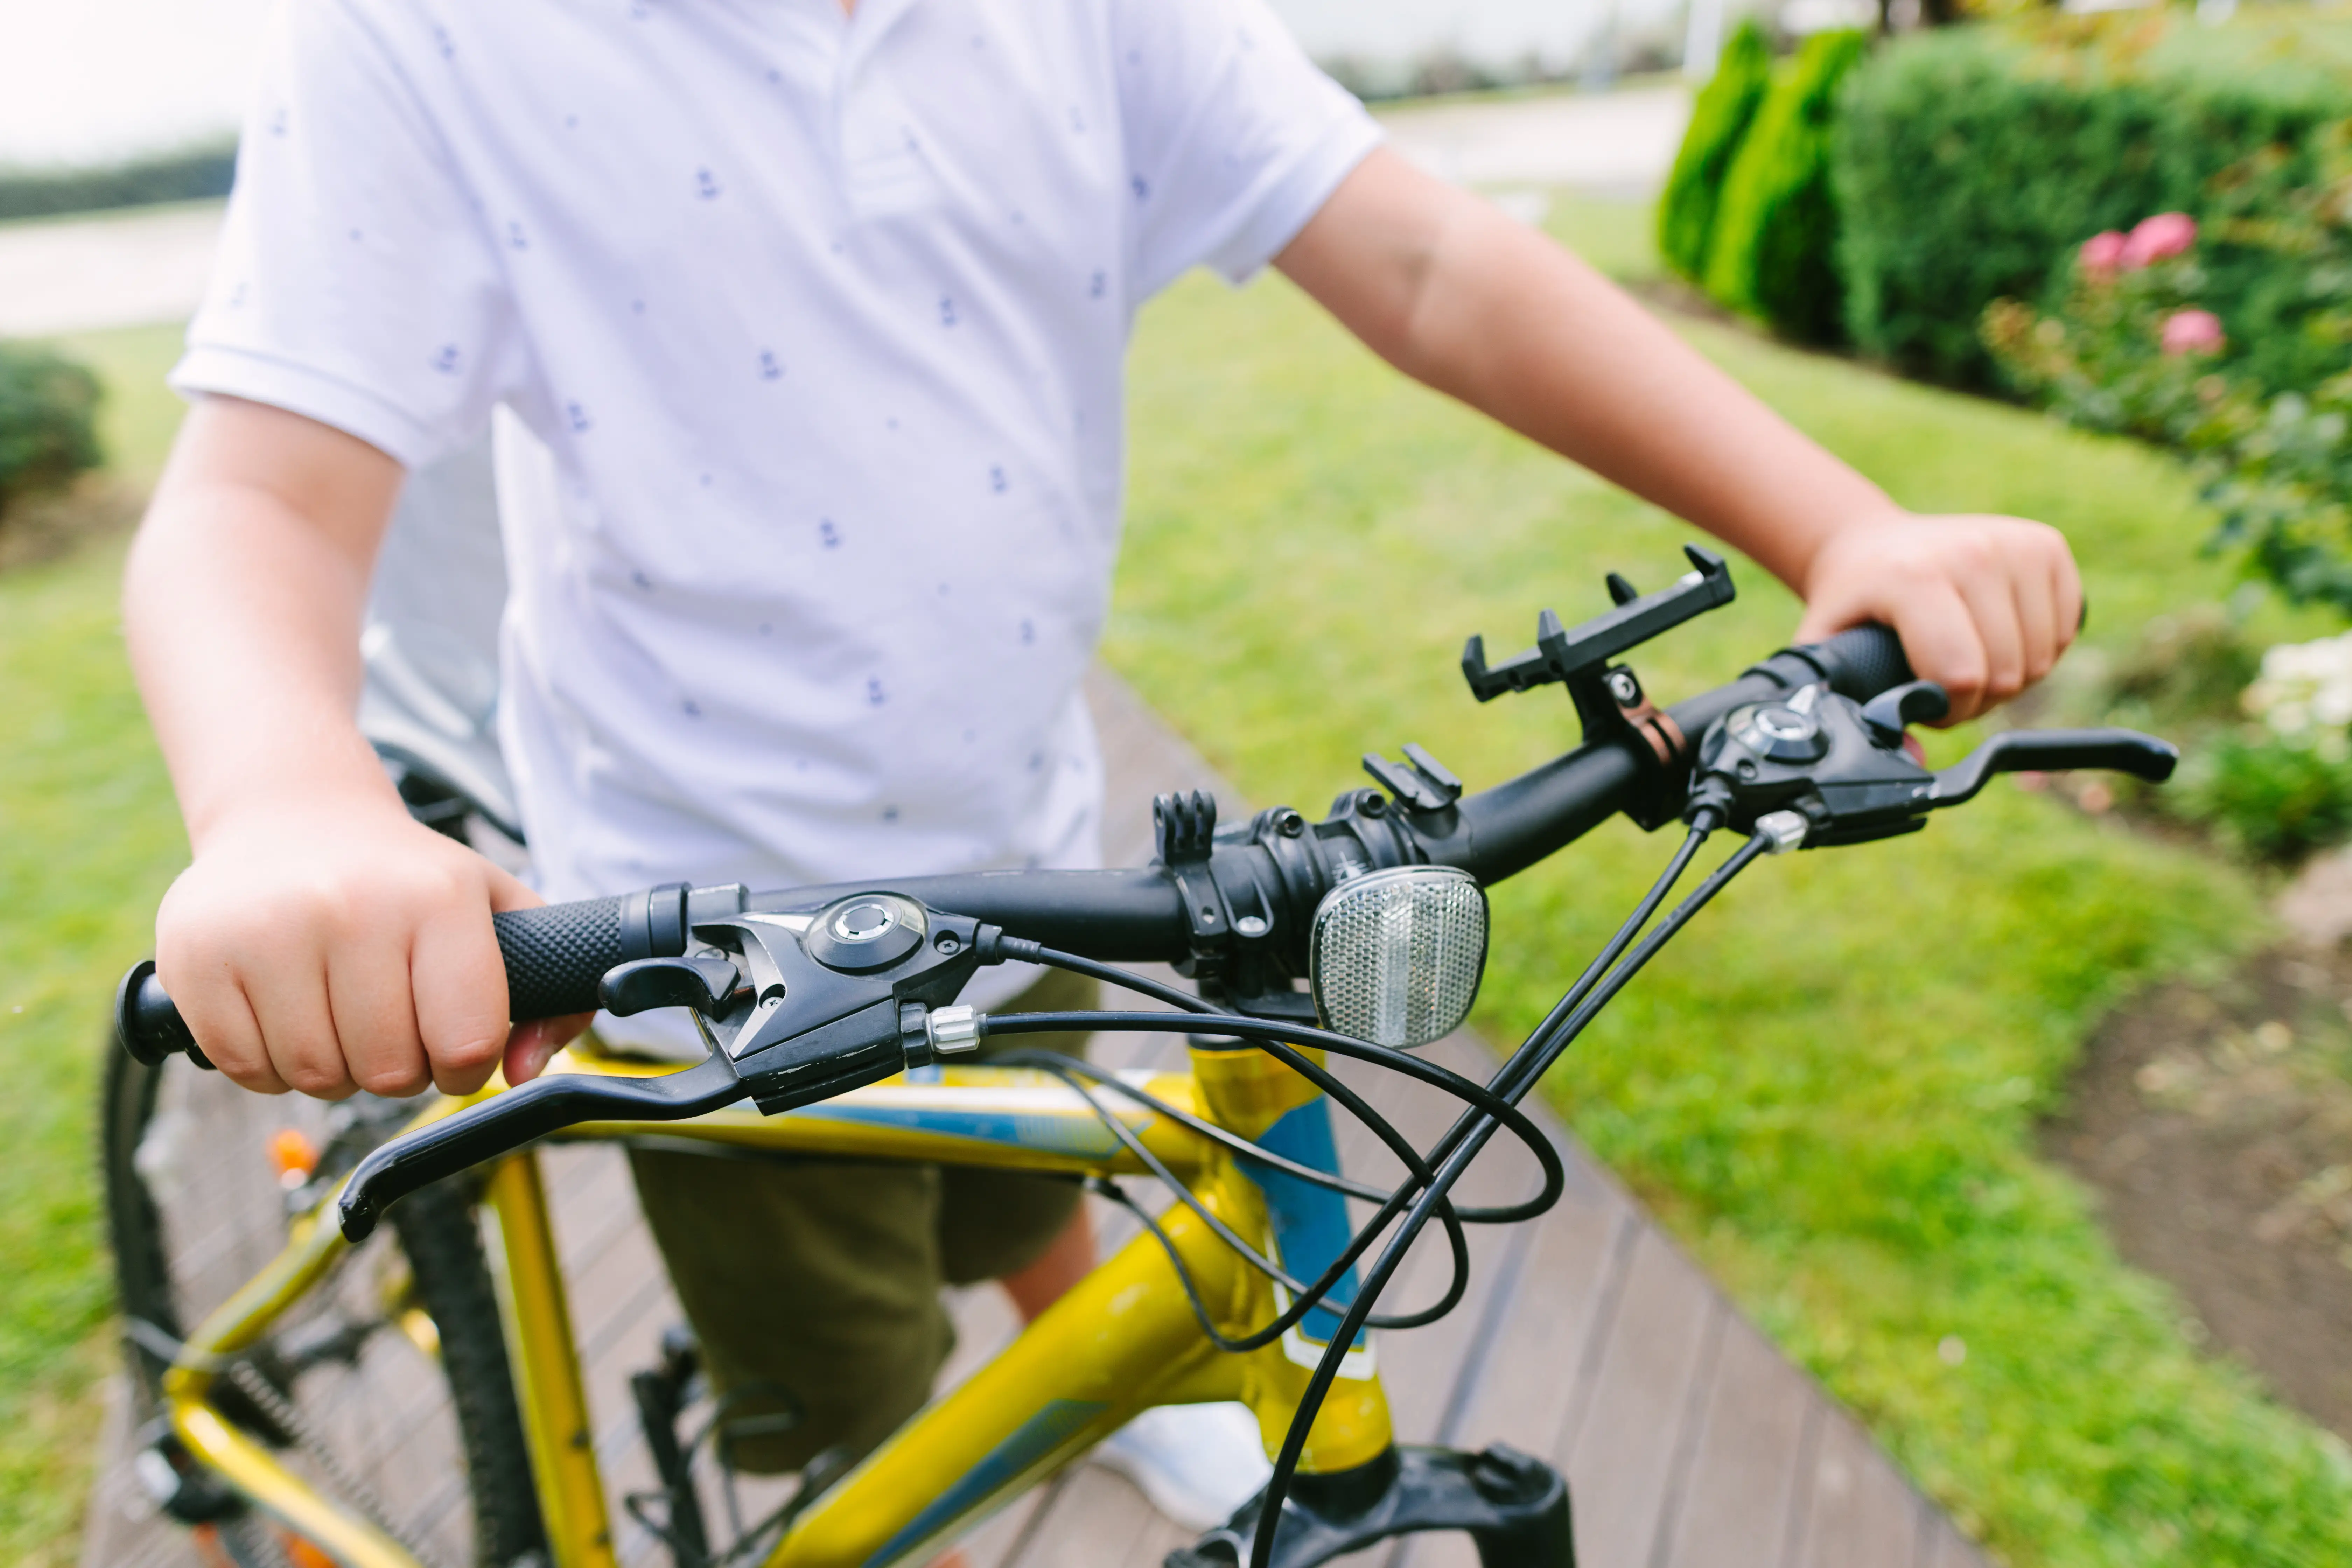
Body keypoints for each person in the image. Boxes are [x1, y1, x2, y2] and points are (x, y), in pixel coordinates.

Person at [126, 0, 2081, 1553]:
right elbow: (260, 498)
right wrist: (292, 801)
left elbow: (1425, 258)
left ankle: (1106, 1389)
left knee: (1033, 1190)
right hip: (707, 937)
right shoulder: (428, 33)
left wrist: (1842, 526)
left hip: (1034, 851)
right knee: (848, 1407)